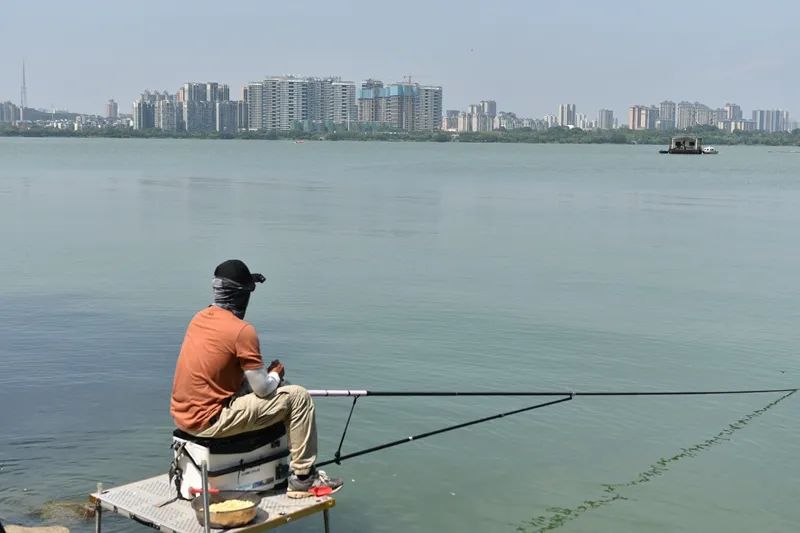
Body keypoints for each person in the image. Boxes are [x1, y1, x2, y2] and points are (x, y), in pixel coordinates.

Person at [170, 259, 342, 498]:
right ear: (241, 296)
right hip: (210, 422)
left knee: (274, 391)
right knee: (298, 397)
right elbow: (262, 389)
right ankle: (303, 479)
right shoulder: (242, 331)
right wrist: (275, 374)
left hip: (184, 417)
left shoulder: (198, 319)